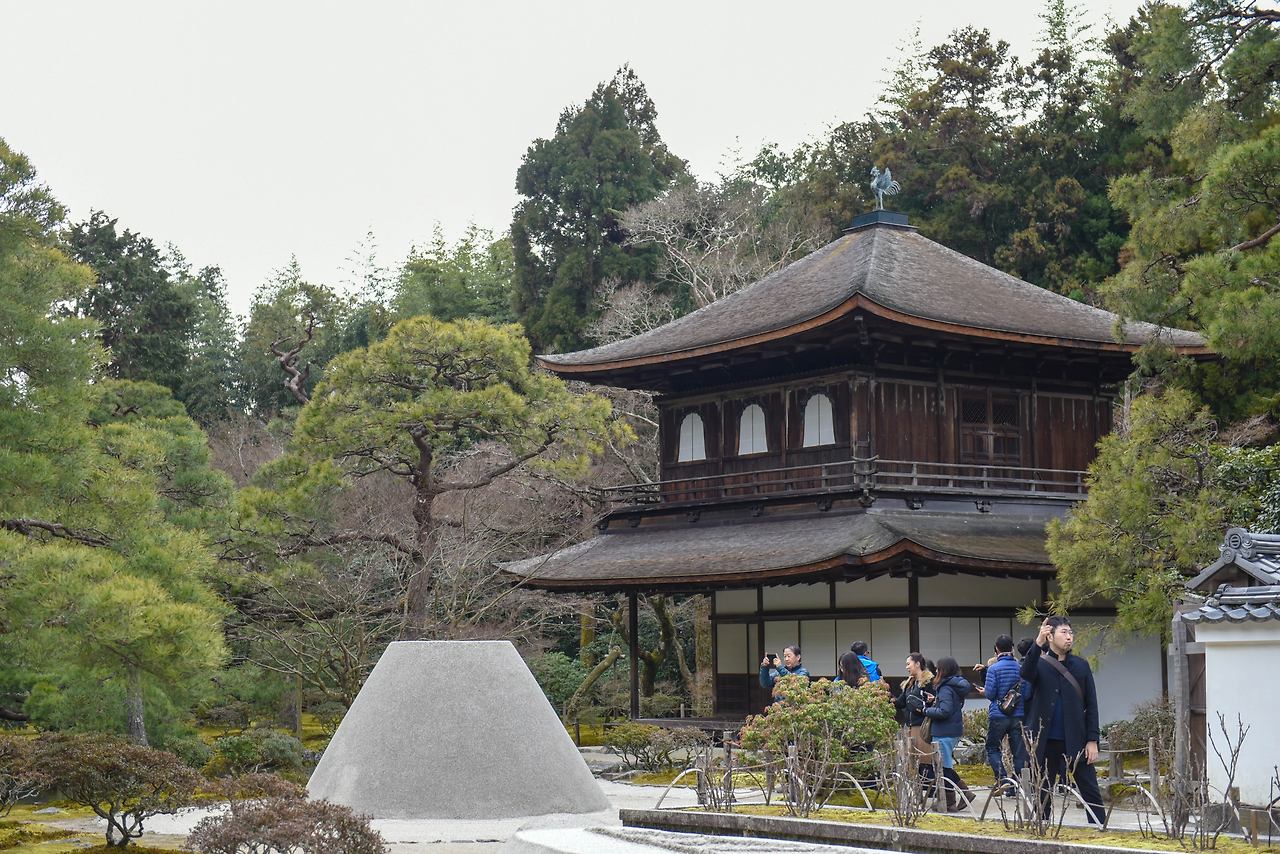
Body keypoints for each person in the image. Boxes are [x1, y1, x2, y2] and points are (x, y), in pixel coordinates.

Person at [1021, 616, 1104, 826]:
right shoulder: (1039, 663)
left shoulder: (1081, 666)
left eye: (1071, 633)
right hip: (1046, 739)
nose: (1069, 637)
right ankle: (1042, 829)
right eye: (1064, 632)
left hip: (1076, 738)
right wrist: (1037, 643)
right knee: (1043, 789)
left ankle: (1099, 827)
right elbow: (1025, 673)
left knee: (1090, 788)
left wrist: (1092, 740)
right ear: (1050, 636)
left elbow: (1092, 705)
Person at [911, 657, 974, 812]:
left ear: (943, 670)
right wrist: (936, 700)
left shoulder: (946, 687)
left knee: (943, 768)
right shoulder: (954, 685)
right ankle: (954, 799)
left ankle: (958, 797)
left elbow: (944, 711)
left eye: (938, 669)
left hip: (944, 731)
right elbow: (950, 706)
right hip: (951, 730)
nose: (936, 671)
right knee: (943, 766)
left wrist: (926, 710)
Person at [983, 635, 1028, 795]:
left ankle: (1003, 780)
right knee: (1018, 752)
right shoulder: (1021, 667)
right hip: (1018, 714)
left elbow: (990, 694)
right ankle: (1016, 786)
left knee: (992, 747)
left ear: (996, 649)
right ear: (1012, 648)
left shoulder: (993, 669)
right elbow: (1026, 692)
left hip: (999, 715)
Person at [894, 653, 937, 792]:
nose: (907, 667)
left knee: (925, 759)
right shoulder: (910, 683)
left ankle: (930, 789)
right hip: (911, 726)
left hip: (924, 726)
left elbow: (935, 703)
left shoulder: (929, 682)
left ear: (918, 664)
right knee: (914, 759)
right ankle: (921, 789)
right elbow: (900, 703)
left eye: (909, 664)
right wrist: (887, 696)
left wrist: (927, 703)